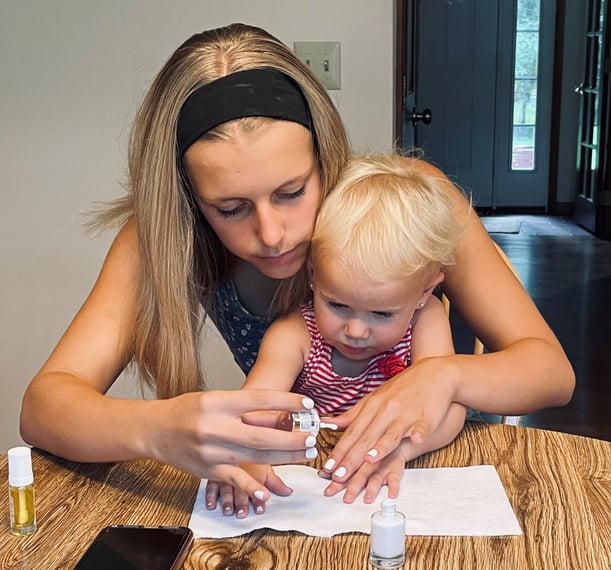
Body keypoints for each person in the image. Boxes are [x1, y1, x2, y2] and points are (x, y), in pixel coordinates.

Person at [19, 23, 575, 509]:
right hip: (302, 484)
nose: (271, 234)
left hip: (443, 478)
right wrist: (156, 428)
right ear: (188, 199)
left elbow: (551, 373)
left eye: (292, 192)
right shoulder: (161, 236)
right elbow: (44, 407)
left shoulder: (407, 202)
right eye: (230, 209)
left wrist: (443, 374)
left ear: (323, 157)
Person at [206, 152, 468, 517]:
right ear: (313, 274)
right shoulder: (295, 334)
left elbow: (450, 411)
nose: (356, 330)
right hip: (311, 480)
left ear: (424, 293)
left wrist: (401, 450)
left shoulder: (427, 320)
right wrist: (246, 454)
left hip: (399, 483)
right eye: (337, 305)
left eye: (381, 313)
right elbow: (253, 409)